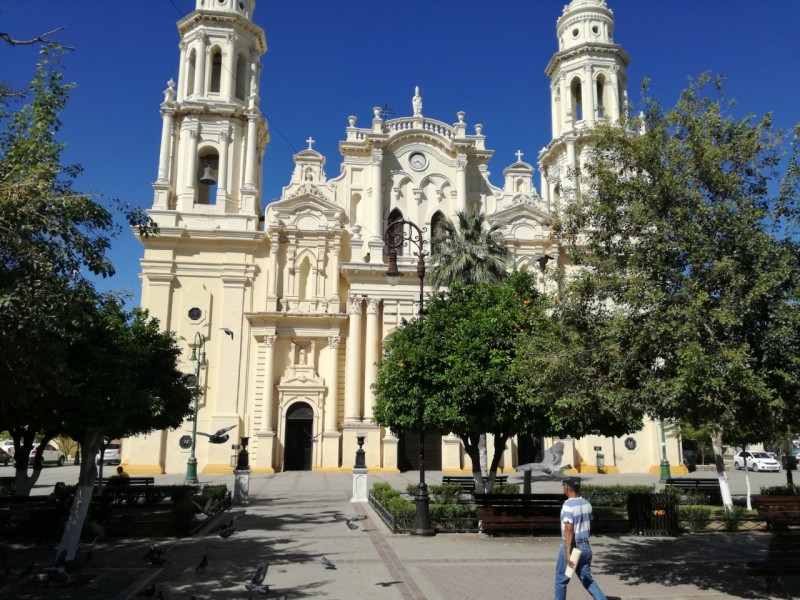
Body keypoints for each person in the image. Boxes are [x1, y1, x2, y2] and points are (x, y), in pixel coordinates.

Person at [555, 476, 607, 600]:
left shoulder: (568, 505)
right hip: (586, 547)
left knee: (561, 581)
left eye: (563, 486)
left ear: (567, 488)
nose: (563, 487)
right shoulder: (587, 504)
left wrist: (568, 553)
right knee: (587, 579)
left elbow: (569, 529)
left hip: (573, 547)